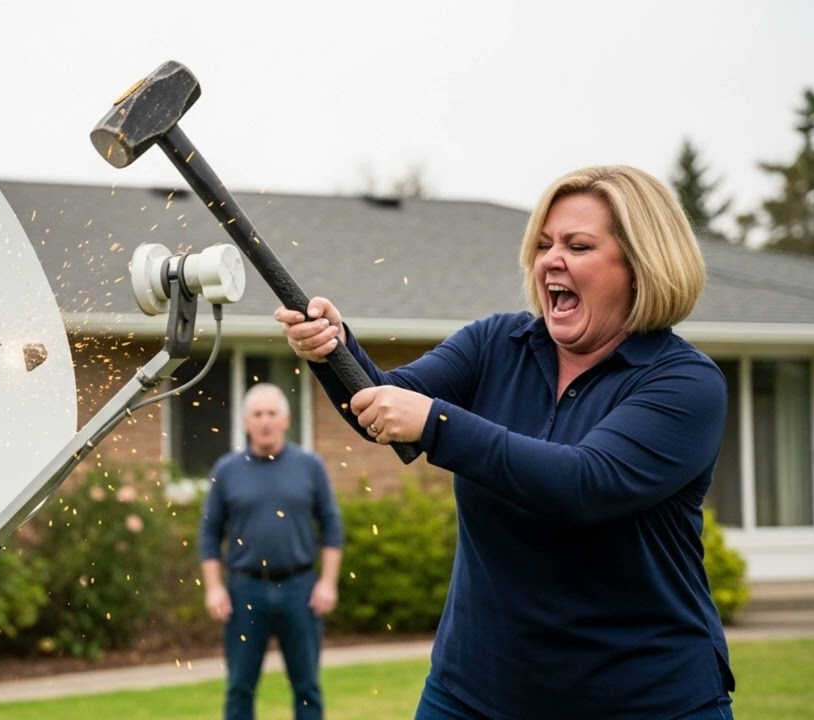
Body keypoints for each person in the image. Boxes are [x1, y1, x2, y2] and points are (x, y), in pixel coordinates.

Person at [275, 165, 735, 719]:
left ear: (641, 265)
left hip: (642, 699)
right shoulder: (497, 342)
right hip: (474, 694)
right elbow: (385, 402)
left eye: (577, 245)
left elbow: (584, 484)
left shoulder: (684, 383)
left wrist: (436, 424)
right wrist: (334, 351)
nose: (550, 260)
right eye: (543, 244)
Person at [198, 382, 345, 720]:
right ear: (246, 422)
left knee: (307, 686)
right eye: (257, 414)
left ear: (286, 420)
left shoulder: (310, 466)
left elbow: (332, 526)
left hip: (300, 589)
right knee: (240, 686)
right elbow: (209, 533)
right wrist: (214, 587)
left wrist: (328, 582)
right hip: (245, 590)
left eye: (272, 413)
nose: (265, 421)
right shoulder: (227, 470)